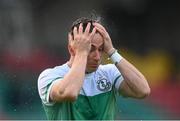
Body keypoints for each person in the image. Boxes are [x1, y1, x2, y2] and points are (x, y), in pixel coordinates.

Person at [37, 16, 150, 120]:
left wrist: (111, 51)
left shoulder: (109, 72)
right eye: (90, 49)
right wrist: (81, 52)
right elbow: (70, 92)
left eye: (101, 49)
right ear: (71, 49)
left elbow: (143, 90)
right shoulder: (50, 76)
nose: (97, 57)